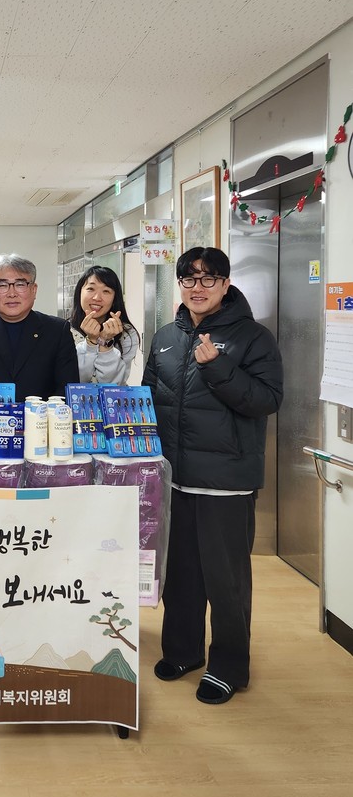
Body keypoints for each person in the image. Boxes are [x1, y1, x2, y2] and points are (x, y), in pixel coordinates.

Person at [142, 246, 283, 705]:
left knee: (227, 582)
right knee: (180, 576)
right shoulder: (166, 336)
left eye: (208, 279)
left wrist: (218, 368)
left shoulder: (253, 338)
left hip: (226, 482)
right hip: (174, 477)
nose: (198, 287)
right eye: (189, 279)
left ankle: (229, 666)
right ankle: (183, 652)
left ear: (225, 284)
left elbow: (267, 400)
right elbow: (149, 398)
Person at [0, 253, 79, 401]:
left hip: (42, 415)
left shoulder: (57, 330)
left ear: (34, 290)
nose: (12, 293)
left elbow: (67, 388)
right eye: (2, 285)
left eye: (20, 284)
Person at [70, 265, 140, 385]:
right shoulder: (63, 330)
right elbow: (76, 379)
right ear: (79, 292)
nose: (97, 297)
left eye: (106, 291)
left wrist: (105, 342)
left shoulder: (126, 333)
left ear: (114, 298)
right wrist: (91, 342)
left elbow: (113, 384)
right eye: (91, 289)